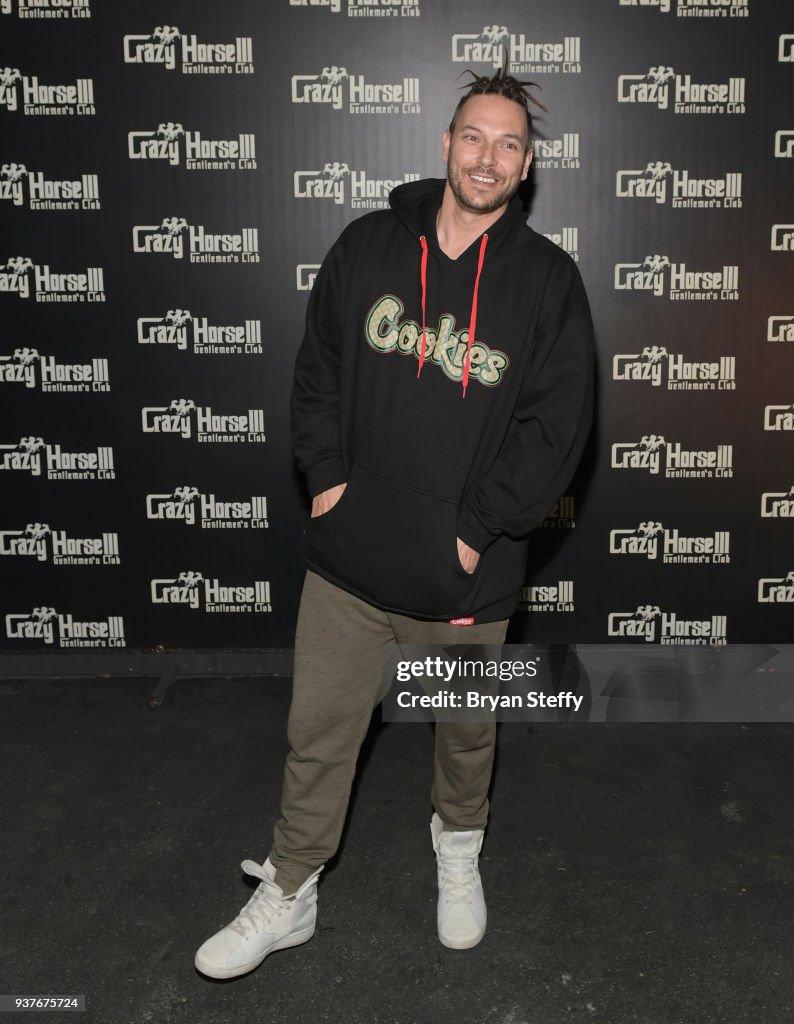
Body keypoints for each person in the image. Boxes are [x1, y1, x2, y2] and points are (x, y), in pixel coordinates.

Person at [195, 66, 594, 980]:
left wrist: (478, 527)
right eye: (473, 136)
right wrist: (329, 481)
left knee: (464, 733)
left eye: (508, 144)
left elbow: (554, 429)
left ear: (526, 166)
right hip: (348, 562)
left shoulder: (546, 281)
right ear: (445, 143)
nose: (487, 157)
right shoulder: (369, 243)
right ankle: (291, 888)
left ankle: (458, 852)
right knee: (320, 730)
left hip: (466, 572)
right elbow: (319, 371)